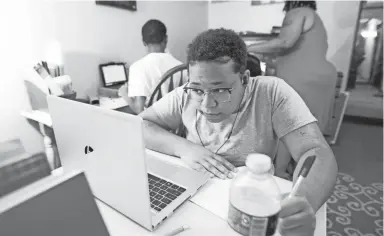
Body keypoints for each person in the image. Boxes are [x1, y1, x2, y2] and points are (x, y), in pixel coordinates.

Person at [139, 28, 337, 235]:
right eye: (198, 90)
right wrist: (183, 147)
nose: (207, 105)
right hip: (194, 195)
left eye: (220, 90)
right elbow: (141, 124)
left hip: (250, 201)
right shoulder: (184, 94)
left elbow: (315, 151)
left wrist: (304, 200)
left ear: (244, 79)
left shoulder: (272, 92)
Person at [248, 1, 337, 134]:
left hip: (303, 78)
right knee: (306, 133)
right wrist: (263, 57)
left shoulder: (298, 12)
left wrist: (246, 48)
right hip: (316, 76)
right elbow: (288, 55)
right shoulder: (312, 16)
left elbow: (284, 42)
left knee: (288, 129)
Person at [118, 19, 185, 114]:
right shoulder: (181, 67)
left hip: (153, 125)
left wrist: (124, 94)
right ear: (166, 39)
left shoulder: (138, 67)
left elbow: (139, 110)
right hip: (178, 126)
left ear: (144, 42)